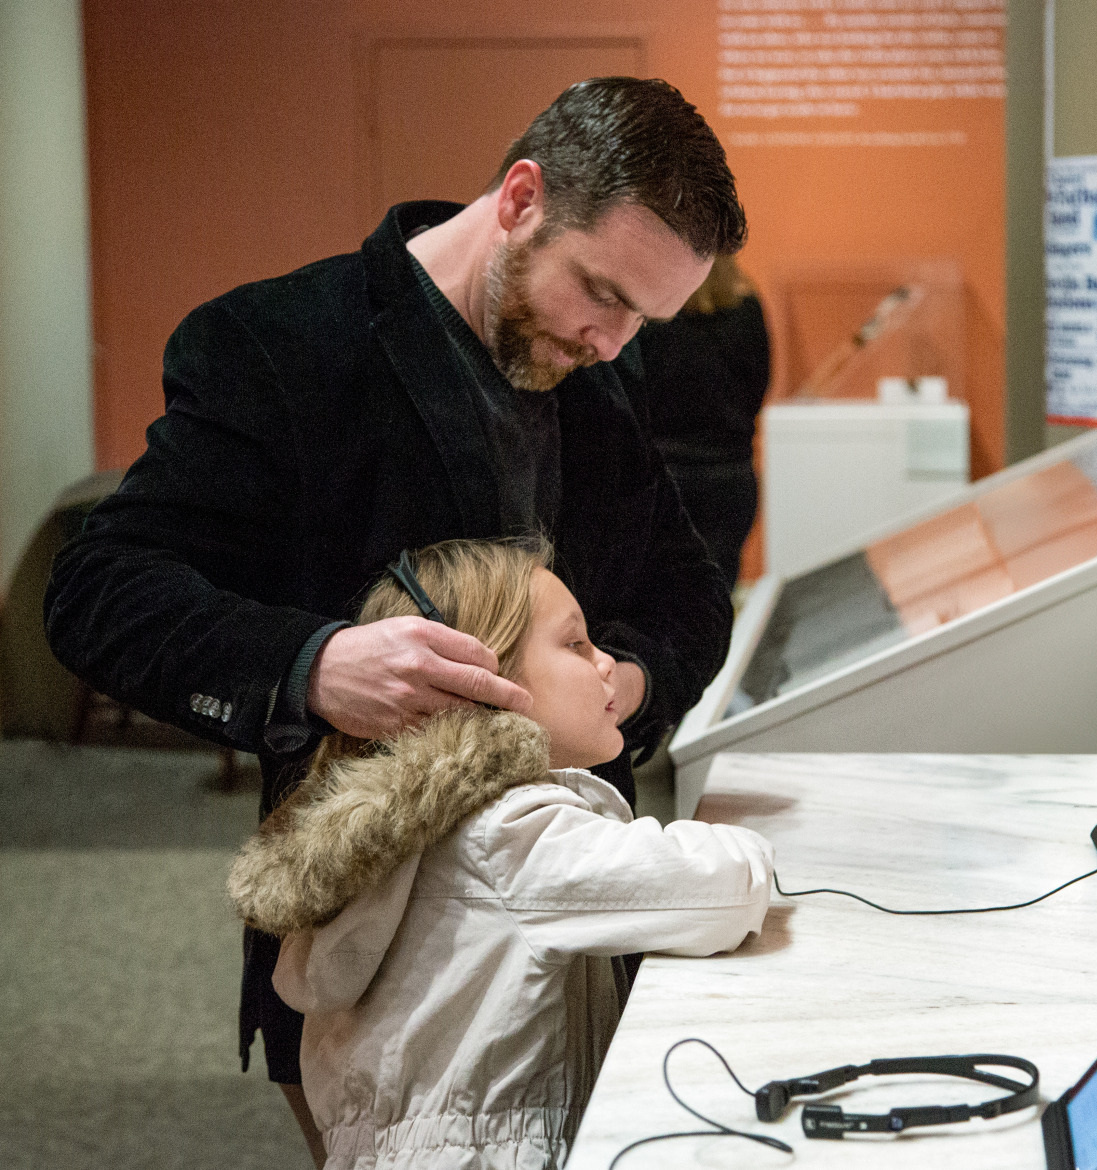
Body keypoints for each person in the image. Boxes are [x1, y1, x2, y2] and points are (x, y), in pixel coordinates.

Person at [43, 77, 741, 1142]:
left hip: (571, 904)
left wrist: (621, 678)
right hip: (366, 948)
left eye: (642, 318)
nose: (611, 341)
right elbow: (99, 590)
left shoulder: (594, 368)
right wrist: (314, 665)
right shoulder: (281, 345)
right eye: (600, 295)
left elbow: (688, 594)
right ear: (520, 199)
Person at [227, 539, 775, 1170]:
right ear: (480, 685)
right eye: (576, 645)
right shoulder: (509, 835)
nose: (607, 666)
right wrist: (753, 845)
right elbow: (721, 889)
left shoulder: (418, 830)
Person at [631, 255, 770, 589]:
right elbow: (760, 386)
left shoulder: (650, 315)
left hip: (664, 475)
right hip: (731, 476)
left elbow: (634, 393)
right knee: (718, 593)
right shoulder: (747, 308)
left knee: (659, 597)